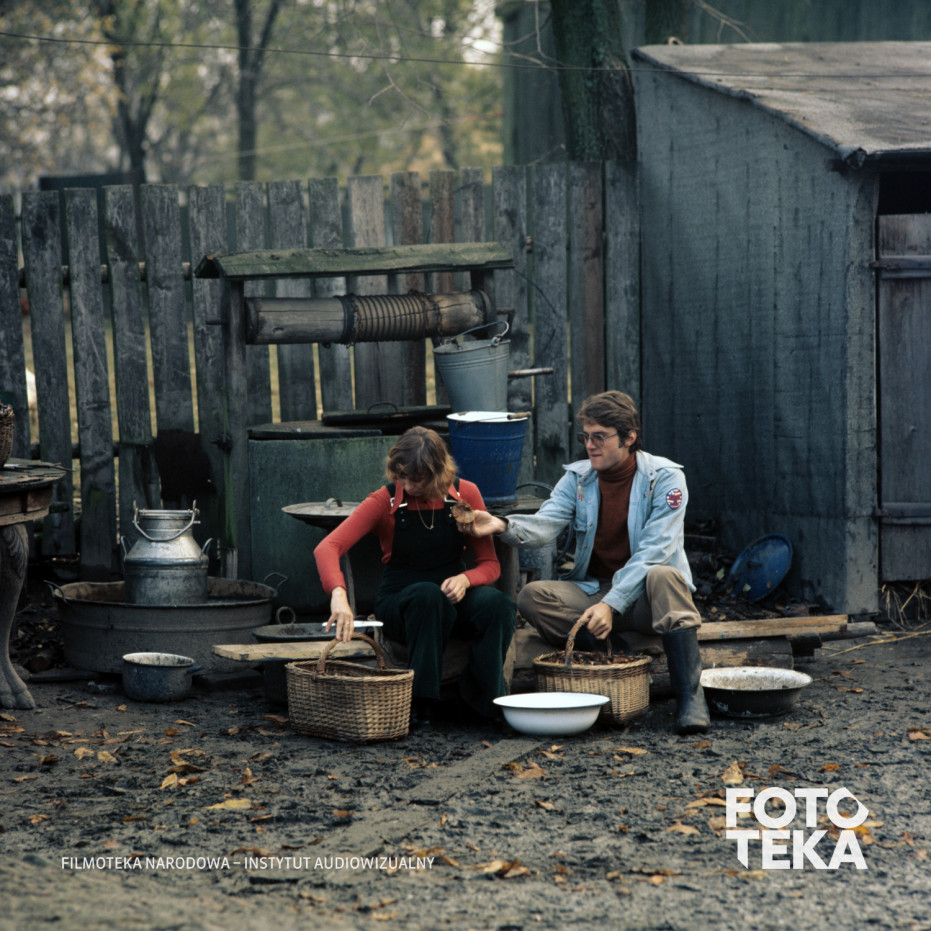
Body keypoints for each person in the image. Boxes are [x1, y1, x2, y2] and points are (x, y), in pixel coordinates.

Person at [465, 391, 710, 734]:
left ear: (629, 437)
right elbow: (546, 523)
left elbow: (654, 551)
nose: (590, 446)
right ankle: (616, 652)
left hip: (646, 599)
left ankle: (691, 699)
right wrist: (501, 524)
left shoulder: (666, 479)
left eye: (599, 437)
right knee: (532, 597)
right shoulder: (578, 478)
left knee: (664, 575)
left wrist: (612, 604)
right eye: (585, 437)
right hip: (597, 593)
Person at [314, 426, 516, 726]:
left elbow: (490, 564)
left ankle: (482, 703)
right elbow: (328, 546)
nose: (407, 485)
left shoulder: (465, 494)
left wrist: (465, 580)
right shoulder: (384, 501)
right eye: (401, 476)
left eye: (416, 479)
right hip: (401, 603)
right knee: (427, 596)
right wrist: (338, 593)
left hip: (450, 599)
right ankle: (422, 704)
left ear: (437, 472)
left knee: (498, 605)